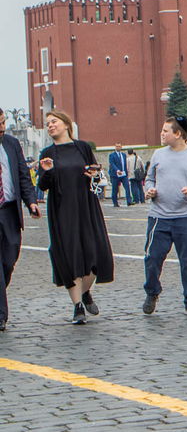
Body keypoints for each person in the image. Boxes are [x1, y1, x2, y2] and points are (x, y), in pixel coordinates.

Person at [35, 111, 114, 324]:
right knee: (70, 255)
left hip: (86, 206)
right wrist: (47, 171)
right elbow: (42, 185)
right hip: (62, 210)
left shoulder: (82, 147)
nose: (50, 126)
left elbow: (96, 174)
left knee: (96, 252)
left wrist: (94, 175)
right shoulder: (47, 153)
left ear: (66, 124)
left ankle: (85, 291)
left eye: (54, 122)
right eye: (48, 123)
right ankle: (78, 306)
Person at [142, 116, 187, 315]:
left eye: (165, 131)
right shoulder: (158, 154)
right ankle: (152, 292)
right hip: (159, 217)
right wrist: (149, 190)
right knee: (152, 258)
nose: (161, 134)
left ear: (177, 134)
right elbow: (149, 179)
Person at [0, 109, 43, 332]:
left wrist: (31, 202)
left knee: (9, 260)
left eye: (3, 122)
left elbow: (23, 175)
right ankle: (1, 315)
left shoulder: (12, 144)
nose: (2, 127)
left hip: (9, 210)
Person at [108, 143, 131, 208]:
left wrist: (127, 172)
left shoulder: (123, 155)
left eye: (119, 146)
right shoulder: (112, 155)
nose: (118, 147)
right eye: (117, 146)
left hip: (123, 174)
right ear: (115, 147)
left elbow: (125, 164)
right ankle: (115, 203)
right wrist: (117, 170)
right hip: (115, 174)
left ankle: (129, 201)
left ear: (121, 147)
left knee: (127, 187)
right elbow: (112, 164)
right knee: (115, 189)